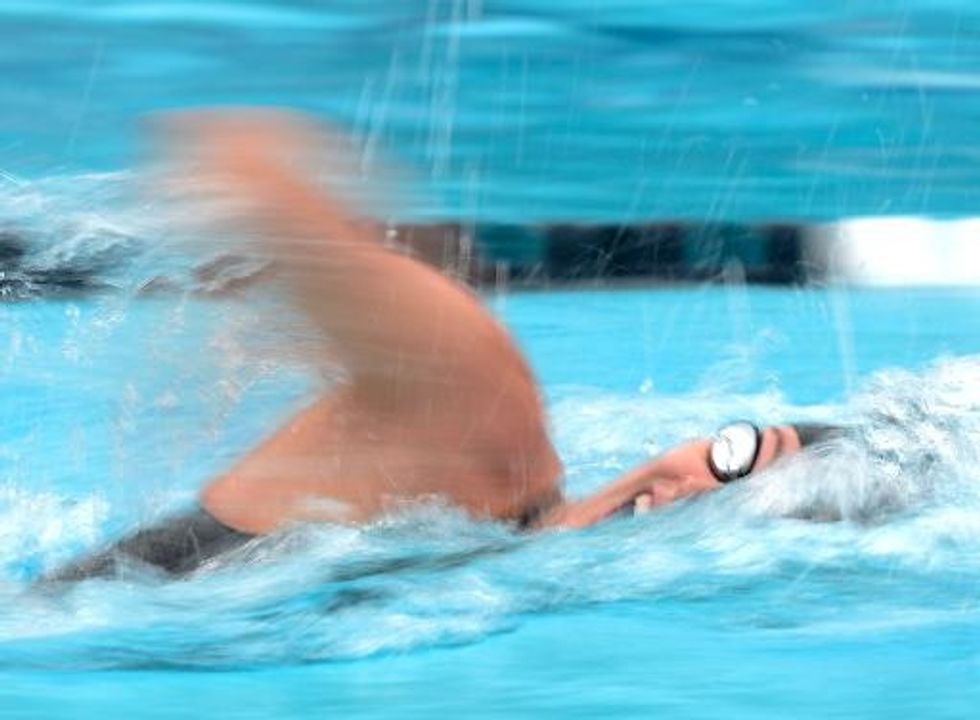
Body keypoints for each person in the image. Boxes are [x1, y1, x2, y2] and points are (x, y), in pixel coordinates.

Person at [44, 111, 842, 582]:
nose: (701, 493)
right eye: (737, 456)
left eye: (751, 509)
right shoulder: (480, 411)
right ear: (706, 434)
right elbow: (231, 158)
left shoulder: (495, 566)